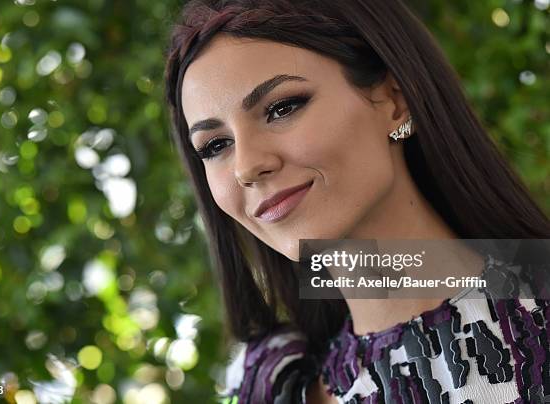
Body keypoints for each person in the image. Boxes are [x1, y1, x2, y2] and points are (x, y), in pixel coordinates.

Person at [163, 0, 550, 402]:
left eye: (281, 108)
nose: (246, 167)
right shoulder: (273, 383)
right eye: (215, 145)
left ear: (394, 100)